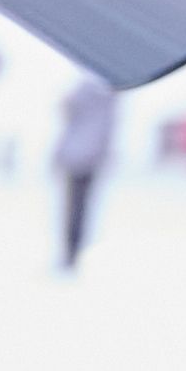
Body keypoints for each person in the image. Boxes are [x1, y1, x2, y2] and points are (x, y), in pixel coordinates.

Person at [60, 74, 120, 271]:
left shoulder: (89, 87)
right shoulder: (111, 91)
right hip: (91, 155)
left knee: (74, 208)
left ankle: (70, 253)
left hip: (79, 155)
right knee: (81, 207)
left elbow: (68, 108)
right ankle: (73, 253)